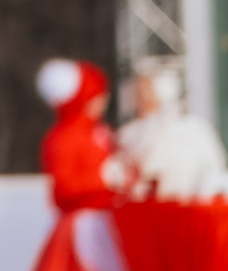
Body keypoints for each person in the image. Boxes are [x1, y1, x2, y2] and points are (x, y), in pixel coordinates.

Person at [34, 58, 125, 271]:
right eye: (96, 95)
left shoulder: (100, 133)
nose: (103, 101)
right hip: (83, 227)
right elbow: (63, 188)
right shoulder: (63, 137)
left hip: (108, 221)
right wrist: (103, 179)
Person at [117, 56, 228, 201]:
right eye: (138, 87)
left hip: (188, 212)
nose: (140, 94)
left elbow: (214, 174)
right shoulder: (128, 134)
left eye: (146, 87)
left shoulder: (194, 128)